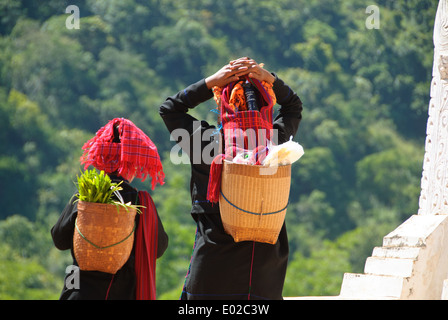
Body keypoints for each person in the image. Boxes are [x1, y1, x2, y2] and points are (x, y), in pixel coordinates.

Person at [159, 57, 303, 300]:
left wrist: (209, 82)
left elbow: (170, 109)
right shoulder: (274, 144)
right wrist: (269, 79)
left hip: (213, 274)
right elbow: (293, 106)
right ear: (265, 105)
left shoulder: (206, 143)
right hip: (263, 278)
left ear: (223, 105)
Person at [51, 118, 168, 300]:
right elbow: (158, 248)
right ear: (132, 161)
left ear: (101, 157)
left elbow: (59, 239)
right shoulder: (139, 201)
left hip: (78, 293)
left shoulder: (84, 194)